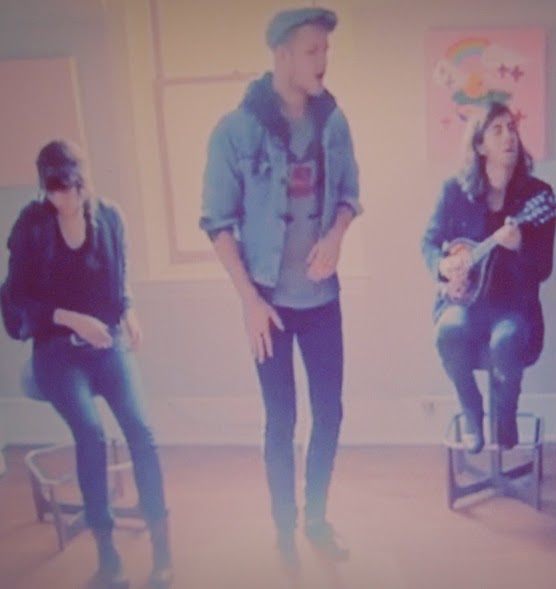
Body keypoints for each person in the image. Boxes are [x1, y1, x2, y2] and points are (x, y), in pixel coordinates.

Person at [199, 7, 358, 561]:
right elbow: (217, 223)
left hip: (323, 301)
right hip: (267, 304)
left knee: (330, 413)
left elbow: (349, 197)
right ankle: (284, 529)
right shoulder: (234, 131)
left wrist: (336, 235)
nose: (323, 60)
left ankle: (316, 518)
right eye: (313, 50)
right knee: (282, 419)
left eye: (326, 49)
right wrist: (249, 302)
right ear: (282, 55)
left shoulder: (334, 122)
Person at [2, 140, 172, 588]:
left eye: (70, 188)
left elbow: (121, 279)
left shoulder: (110, 217)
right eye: (53, 190)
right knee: (91, 433)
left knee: (142, 431)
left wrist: (129, 311)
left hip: (106, 343)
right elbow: (16, 300)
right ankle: (108, 558)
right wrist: (69, 318)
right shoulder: (31, 226)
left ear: (84, 183)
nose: (62, 199)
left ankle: (162, 551)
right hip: (56, 350)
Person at [421, 101, 556, 454]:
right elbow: (429, 242)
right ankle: (471, 409)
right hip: (464, 302)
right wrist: (443, 267)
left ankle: (505, 414)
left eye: (512, 128)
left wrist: (520, 245)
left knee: (506, 342)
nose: (509, 136)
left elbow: (543, 268)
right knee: (448, 330)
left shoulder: (538, 197)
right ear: (480, 145)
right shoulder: (454, 191)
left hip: (515, 306)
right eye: (497, 130)